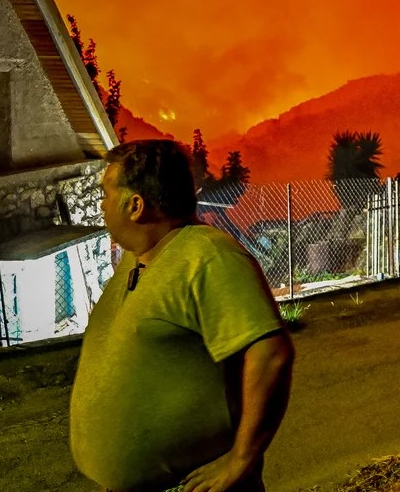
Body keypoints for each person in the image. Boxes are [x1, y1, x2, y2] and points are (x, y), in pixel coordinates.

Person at [70, 140, 295, 492]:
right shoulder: (139, 256)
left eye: (106, 194)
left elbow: (271, 355)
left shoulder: (208, 256)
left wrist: (240, 460)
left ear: (135, 205)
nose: (101, 205)